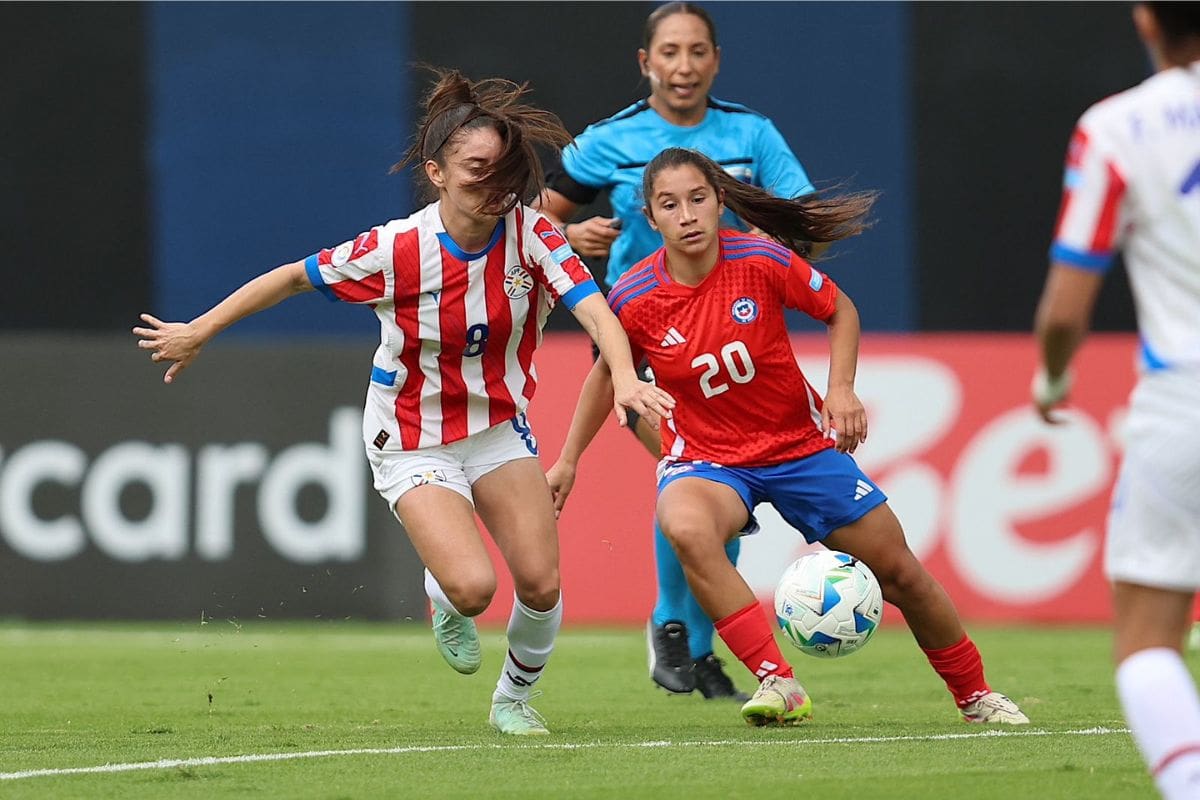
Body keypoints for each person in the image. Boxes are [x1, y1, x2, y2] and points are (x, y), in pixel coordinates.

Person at [132, 68, 673, 737]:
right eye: (476, 170)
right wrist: (202, 329)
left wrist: (623, 376)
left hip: (499, 428)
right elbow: (292, 279)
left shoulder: (533, 234)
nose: (494, 186)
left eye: (504, 171)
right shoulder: (397, 248)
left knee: (540, 583)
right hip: (412, 435)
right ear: (437, 173)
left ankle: (512, 700)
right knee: (474, 588)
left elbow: (595, 312)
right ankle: (445, 596)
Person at [547, 146, 1029, 726]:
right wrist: (569, 459)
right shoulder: (633, 294)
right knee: (685, 525)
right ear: (651, 219)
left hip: (797, 447)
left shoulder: (760, 258)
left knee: (900, 572)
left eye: (699, 199)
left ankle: (976, 695)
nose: (688, 215)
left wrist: (843, 388)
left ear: (720, 200)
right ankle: (779, 682)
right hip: (708, 460)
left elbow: (839, 309)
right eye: (670, 205)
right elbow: (606, 376)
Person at [538, 1, 817, 701]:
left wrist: (766, 246)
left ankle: (696, 648)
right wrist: (571, 240)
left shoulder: (751, 135)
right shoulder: (612, 141)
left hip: (730, 346)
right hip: (646, 351)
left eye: (697, 51)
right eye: (669, 52)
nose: (683, 66)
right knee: (691, 484)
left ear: (715, 60)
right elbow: (536, 226)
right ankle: (674, 631)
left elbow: (803, 218)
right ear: (646, 63)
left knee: (721, 510)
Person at [1032, 4, 1200, 795]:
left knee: (1148, 640)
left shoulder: (1117, 127)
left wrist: (1054, 379)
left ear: (1145, 21)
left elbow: (1067, 308)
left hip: (1184, 401)